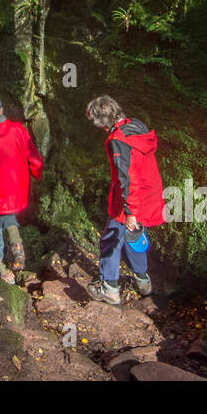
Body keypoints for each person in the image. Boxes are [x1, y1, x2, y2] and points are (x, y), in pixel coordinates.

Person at [84, 95, 164, 305]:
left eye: (95, 121)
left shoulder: (118, 142)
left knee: (112, 239)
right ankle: (143, 281)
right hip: (149, 192)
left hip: (132, 198)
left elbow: (128, 178)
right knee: (134, 237)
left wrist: (130, 212)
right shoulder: (137, 126)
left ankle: (109, 288)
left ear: (103, 121)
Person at [0, 96, 43, 283]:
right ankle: (17, 247)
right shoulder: (18, 129)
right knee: (9, 215)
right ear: (2, 110)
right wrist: (37, 175)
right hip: (18, 191)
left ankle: (4, 269)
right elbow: (35, 158)